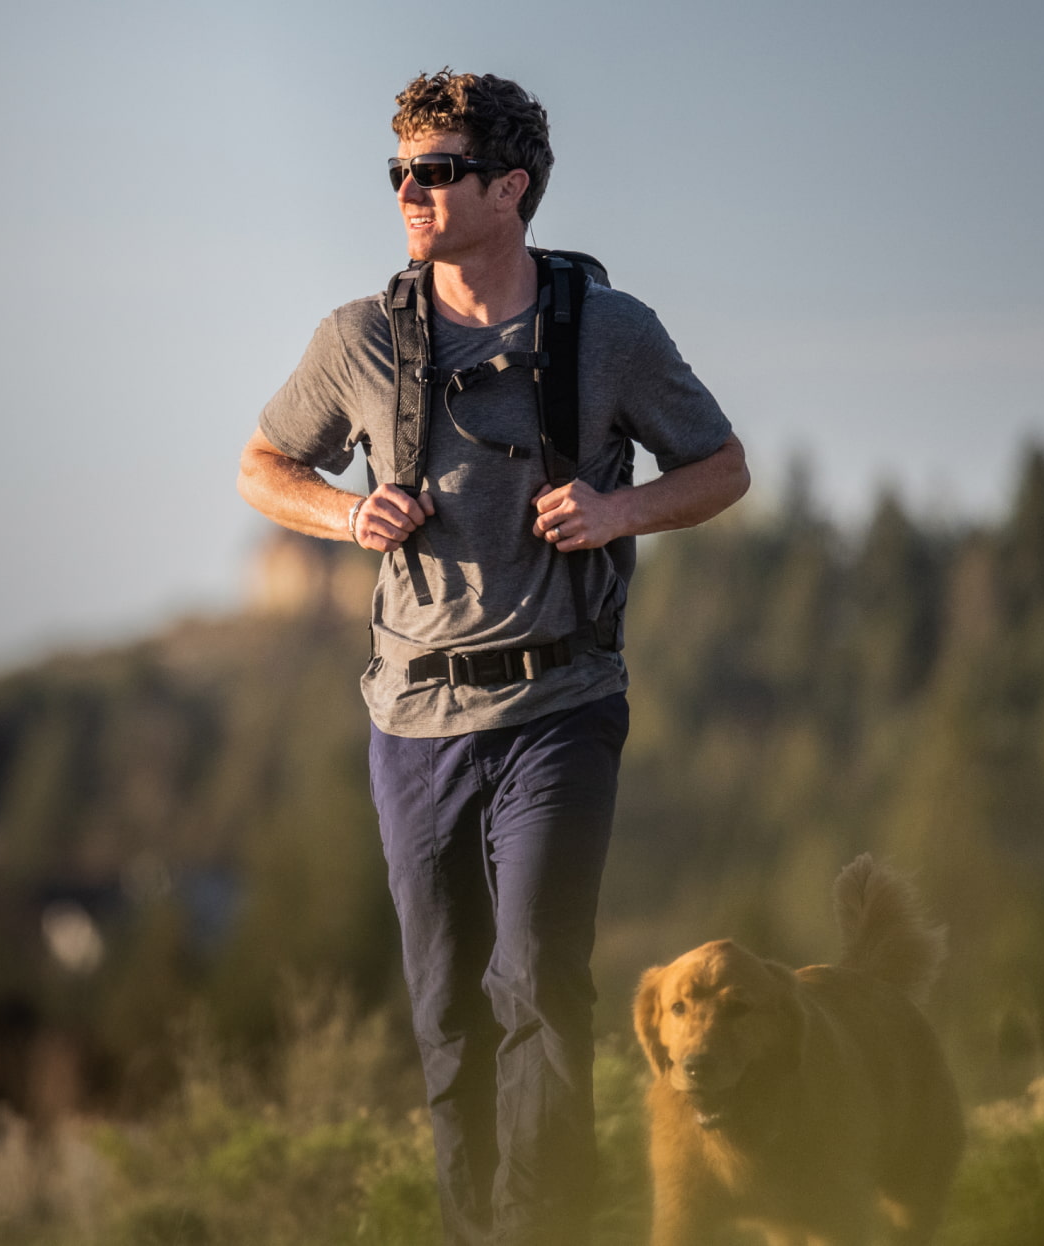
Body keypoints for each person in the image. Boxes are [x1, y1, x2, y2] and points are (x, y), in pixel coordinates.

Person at [236, 70, 749, 1245]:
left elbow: (722, 468)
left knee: (537, 984)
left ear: (511, 188)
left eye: (439, 170)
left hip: (561, 699)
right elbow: (263, 465)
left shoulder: (609, 332)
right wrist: (342, 517)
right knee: (449, 1011)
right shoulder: (359, 338)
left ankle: (545, 1228)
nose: (412, 193)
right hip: (411, 716)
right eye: (400, 172)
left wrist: (618, 515)